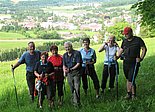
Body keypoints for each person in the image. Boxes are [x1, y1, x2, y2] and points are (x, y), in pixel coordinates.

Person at [117, 27, 147, 99]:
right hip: (125, 62)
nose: (125, 35)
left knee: (131, 79)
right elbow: (121, 49)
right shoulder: (124, 41)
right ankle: (128, 94)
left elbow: (144, 49)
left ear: (131, 33)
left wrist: (141, 58)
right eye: (125, 34)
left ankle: (133, 95)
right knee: (128, 78)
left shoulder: (138, 40)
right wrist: (117, 56)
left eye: (127, 34)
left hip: (134, 63)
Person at [63, 41, 82, 106]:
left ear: (71, 46)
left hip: (76, 72)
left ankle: (76, 103)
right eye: (66, 47)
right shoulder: (65, 55)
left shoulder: (77, 53)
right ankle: (74, 100)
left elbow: (78, 63)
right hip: (69, 74)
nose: (67, 49)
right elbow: (64, 65)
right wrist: (64, 71)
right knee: (72, 88)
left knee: (77, 87)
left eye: (68, 47)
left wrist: (71, 69)